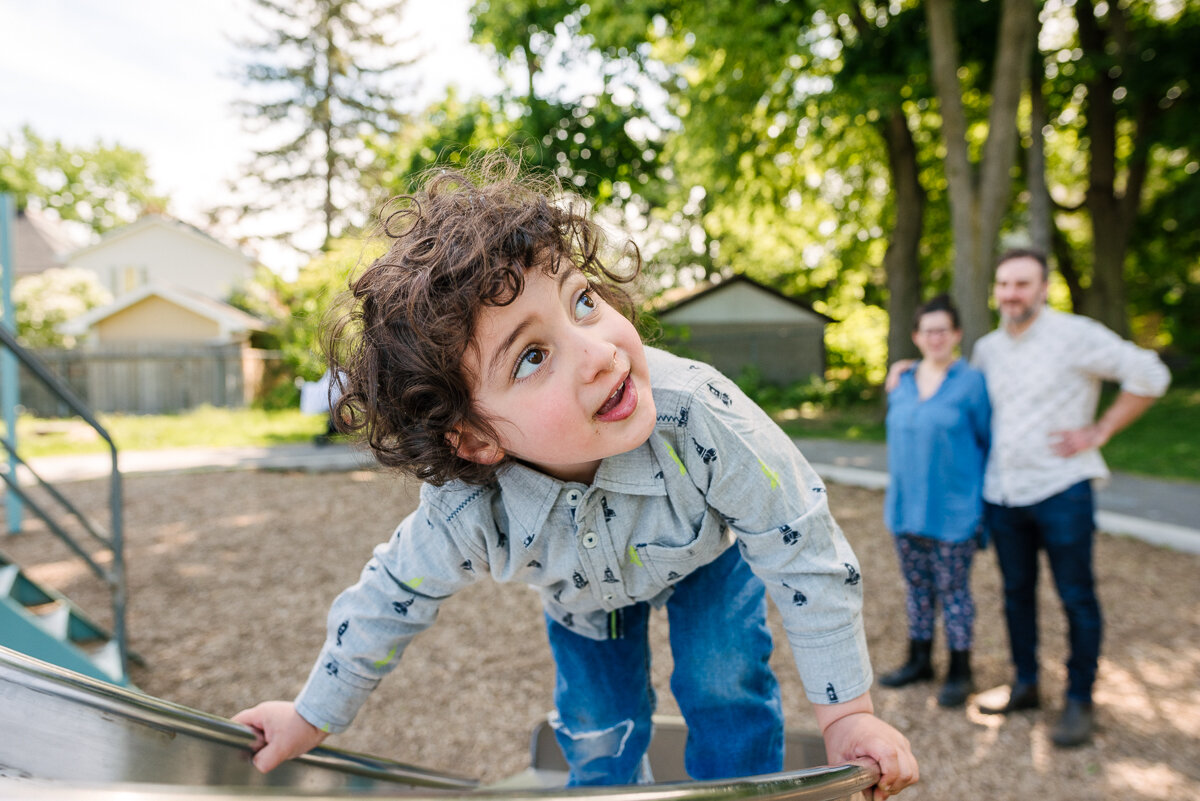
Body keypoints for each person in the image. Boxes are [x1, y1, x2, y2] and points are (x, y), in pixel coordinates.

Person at [233, 156, 918, 798]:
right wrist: (311, 713)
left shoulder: (700, 417)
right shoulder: (467, 509)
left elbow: (800, 540)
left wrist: (847, 715)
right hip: (586, 595)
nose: (597, 353)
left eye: (582, 299)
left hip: (706, 556)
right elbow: (390, 597)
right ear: (473, 437)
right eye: (532, 356)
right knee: (599, 725)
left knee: (723, 683)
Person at [970, 248, 1170, 747]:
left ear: (1043, 288)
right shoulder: (988, 348)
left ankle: (1080, 698)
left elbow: (1151, 374)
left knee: (1076, 596)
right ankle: (1026, 684)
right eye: (1004, 284)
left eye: (1022, 284)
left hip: (1062, 490)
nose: (1011, 293)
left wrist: (1100, 429)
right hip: (1003, 492)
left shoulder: (1075, 335)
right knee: (1016, 594)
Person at [879, 295, 990, 709]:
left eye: (944, 330)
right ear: (916, 337)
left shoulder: (971, 383)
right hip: (906, 509)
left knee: (954, 592)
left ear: (957, 334)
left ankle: (961, 670)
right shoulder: (901, 382)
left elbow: (985, 439)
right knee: (917, 590)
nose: (936, 337)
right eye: (928, 330)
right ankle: (919, 660)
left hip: (954, 511)